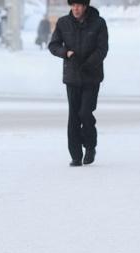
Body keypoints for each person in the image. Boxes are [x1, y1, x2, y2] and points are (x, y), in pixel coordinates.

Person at [48, 0, 108, 167]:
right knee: (74, 116)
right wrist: (66, 53)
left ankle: (90, 147)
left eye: (79, 5)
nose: (76, 8)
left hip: (92, 76)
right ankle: (75, 155)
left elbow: (102, 49)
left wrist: (88, 64)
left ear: (85, 6)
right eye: (73, 5)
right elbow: (53, 45)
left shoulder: (99, 23)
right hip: (72, 77)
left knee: (85, 113)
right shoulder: (63, 23)